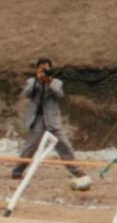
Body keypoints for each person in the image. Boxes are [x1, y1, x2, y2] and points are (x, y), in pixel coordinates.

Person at [11, 56, 90, 189]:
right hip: (38, 120)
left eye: (46, 69)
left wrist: (49, 81)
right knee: (29, 147)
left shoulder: (57, 82)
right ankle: (17, 172)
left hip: (52, 120)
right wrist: (37, 80)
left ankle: (77, 172)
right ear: (37, 69)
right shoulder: (31, 81)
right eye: (42, 68)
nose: (44, 71)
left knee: (64, 146)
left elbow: (59, 95)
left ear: (50, 69)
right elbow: (27, 93)